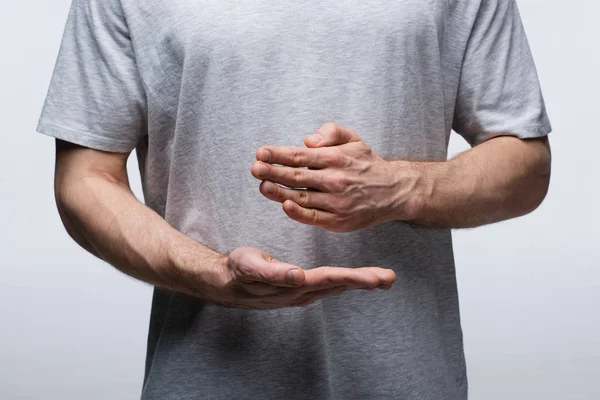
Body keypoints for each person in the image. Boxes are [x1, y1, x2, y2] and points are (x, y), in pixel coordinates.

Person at [37, 0, 552, 398]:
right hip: (207, 376)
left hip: (406, 379)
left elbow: (526, 164)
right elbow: (85, 179)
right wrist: (209, 273)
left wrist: (400, 186)